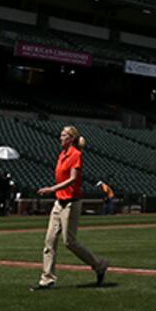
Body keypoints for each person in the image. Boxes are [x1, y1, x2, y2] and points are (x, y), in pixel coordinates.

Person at [30, 125, 108, 291]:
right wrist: (56, 192)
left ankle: (99, 265)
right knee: (49, 242)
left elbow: (73, 179)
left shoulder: (76, 155)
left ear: (71, 138)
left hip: (71, 203)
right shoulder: (62, 155)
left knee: (69, 242)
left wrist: (52, 188)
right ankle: (47, 279)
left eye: (64, 135)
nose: (60, 138)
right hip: (59, 203)